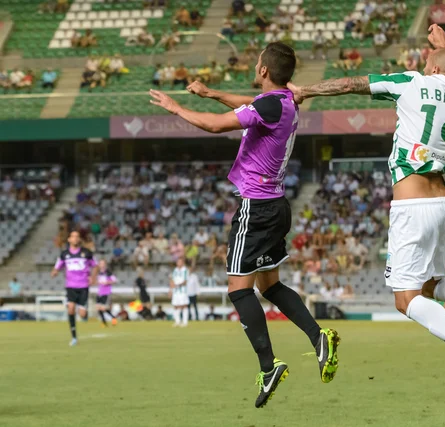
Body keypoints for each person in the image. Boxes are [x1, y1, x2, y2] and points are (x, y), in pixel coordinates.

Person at [288, 24, 445, 388]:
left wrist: (307, 90)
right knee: (434, 282)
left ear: (432, 69)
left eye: (428, 58)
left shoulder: (412, 82)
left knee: (406, 300)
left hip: (412, 206)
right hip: (444, 204)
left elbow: (353, 83)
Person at [150, 42, 340, 407]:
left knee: (239, 289)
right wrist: (209, 93)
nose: (254, 68)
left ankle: (269, 367)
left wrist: (177, 108)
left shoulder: (270, 104)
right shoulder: (284, 101)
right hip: (277, 205)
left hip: (256, 207)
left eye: (257, 65)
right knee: (270, 285)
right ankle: (318, 338)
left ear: (264, 70)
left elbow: (215, 126)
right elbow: (247, 104)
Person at [51, 231, 98, 346]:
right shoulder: (64, 254)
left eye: (77, 237)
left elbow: (95, 266)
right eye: (73, 236)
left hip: (83, 286)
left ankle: (84, 313)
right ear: (69, 239)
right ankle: (74, 337)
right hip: (70, 286)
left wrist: (92, 277)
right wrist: (55, 272)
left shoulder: (86, 253)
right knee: (71, 309)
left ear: (79, 240)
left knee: (82, 314)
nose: (75, 238)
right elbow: (58, 266)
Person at [95, 259, 118, 327]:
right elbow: (97, 281)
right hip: (99, 292)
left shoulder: (108, 272)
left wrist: (107, 282)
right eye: (100, 263)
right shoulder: (98, 272)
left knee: (103, 308)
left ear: (105, 264)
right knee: (98, 308)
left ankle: (113, 318)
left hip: (106, 292)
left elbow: (114, 280)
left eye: (102, 263)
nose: (101, 265)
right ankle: (104, 322)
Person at [169, 257, 190, 327]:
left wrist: (177, 285)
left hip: (183, 291)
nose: (178, 263)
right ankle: (177, 321)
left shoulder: (185, 270)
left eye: (180, 262)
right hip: (175, 291)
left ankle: (185, 322)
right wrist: (170, 290)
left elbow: (185, 281)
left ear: (183, 263)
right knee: (175, 306)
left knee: (184, 306)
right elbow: (172, 280)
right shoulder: (175, 270)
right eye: (177, 262)